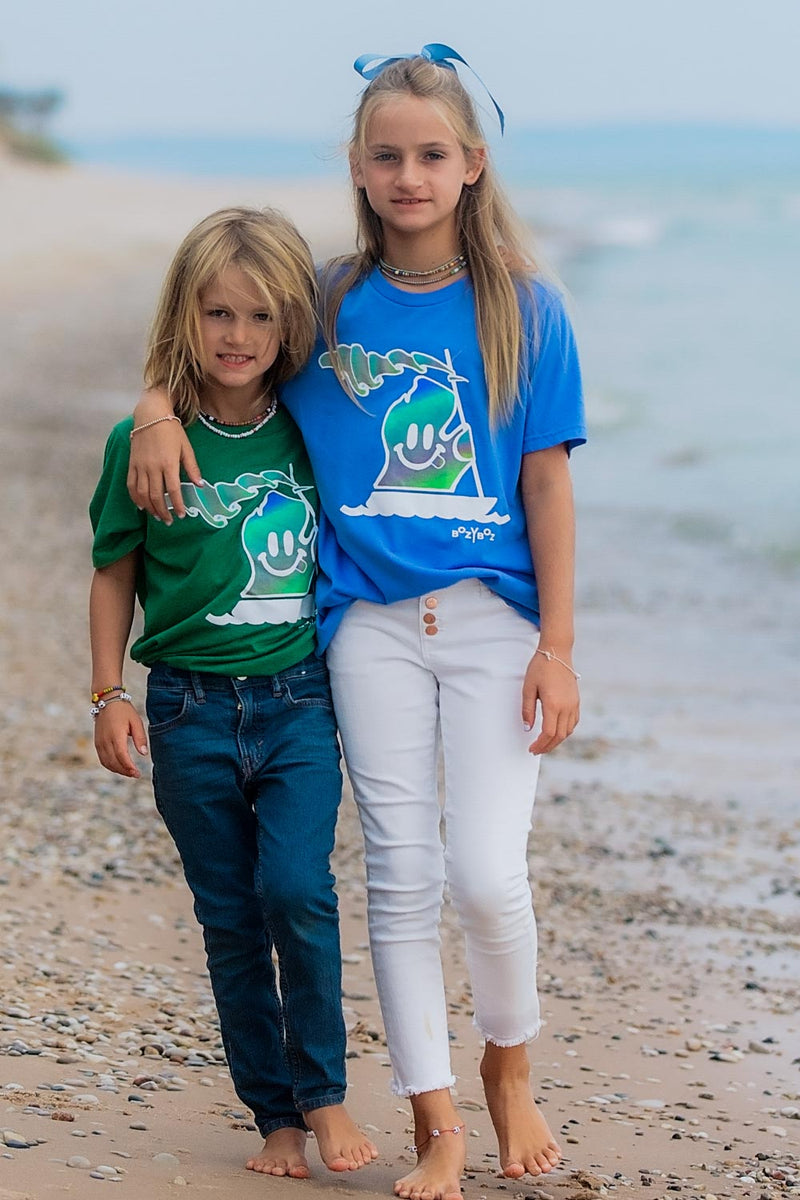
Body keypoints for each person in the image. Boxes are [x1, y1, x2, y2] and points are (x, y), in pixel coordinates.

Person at [128, 46, 586, 1200]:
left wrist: (560, 647)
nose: (408, 174)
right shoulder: (323, 303)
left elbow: (544, 488)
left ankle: (506, 1066)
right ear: (356, 167)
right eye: (386, 155)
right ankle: (434, 1121)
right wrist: (146, 407)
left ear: (471, 166)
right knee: (394, 872)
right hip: (365, 627)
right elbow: (214, 361)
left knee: (484, 874)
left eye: (431, 154)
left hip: (491, 623)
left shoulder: (524, 310)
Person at [89, 206, 378, 1180]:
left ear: (288, 324)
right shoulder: (144, 437)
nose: (238, 338)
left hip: (297, 701)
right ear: (185, 315)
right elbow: (112, 569)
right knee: (230, 919)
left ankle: (325, 1092)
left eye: (259, 318)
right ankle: (275, 1116)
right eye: (216, 314)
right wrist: (106, 695)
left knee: (297, 891)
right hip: (184, 709)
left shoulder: (310, 425)